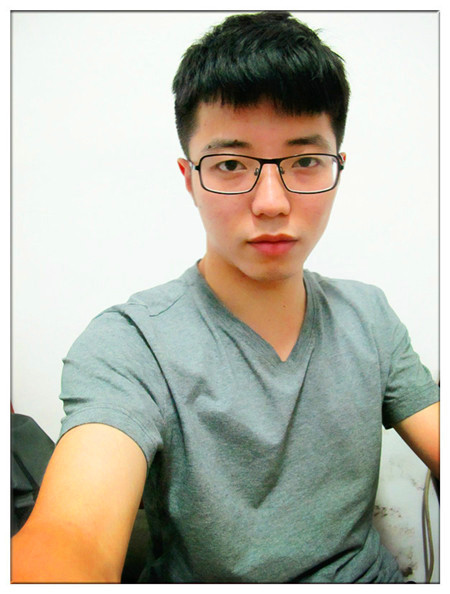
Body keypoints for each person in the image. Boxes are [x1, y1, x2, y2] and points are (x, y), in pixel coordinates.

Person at [11, 11, 439, 583]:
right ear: (189, 178)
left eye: (305, 162)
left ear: (338, 168)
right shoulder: (133, 345)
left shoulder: (370, 317)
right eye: (232, 164)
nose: (271, 203)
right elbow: (72, 534)